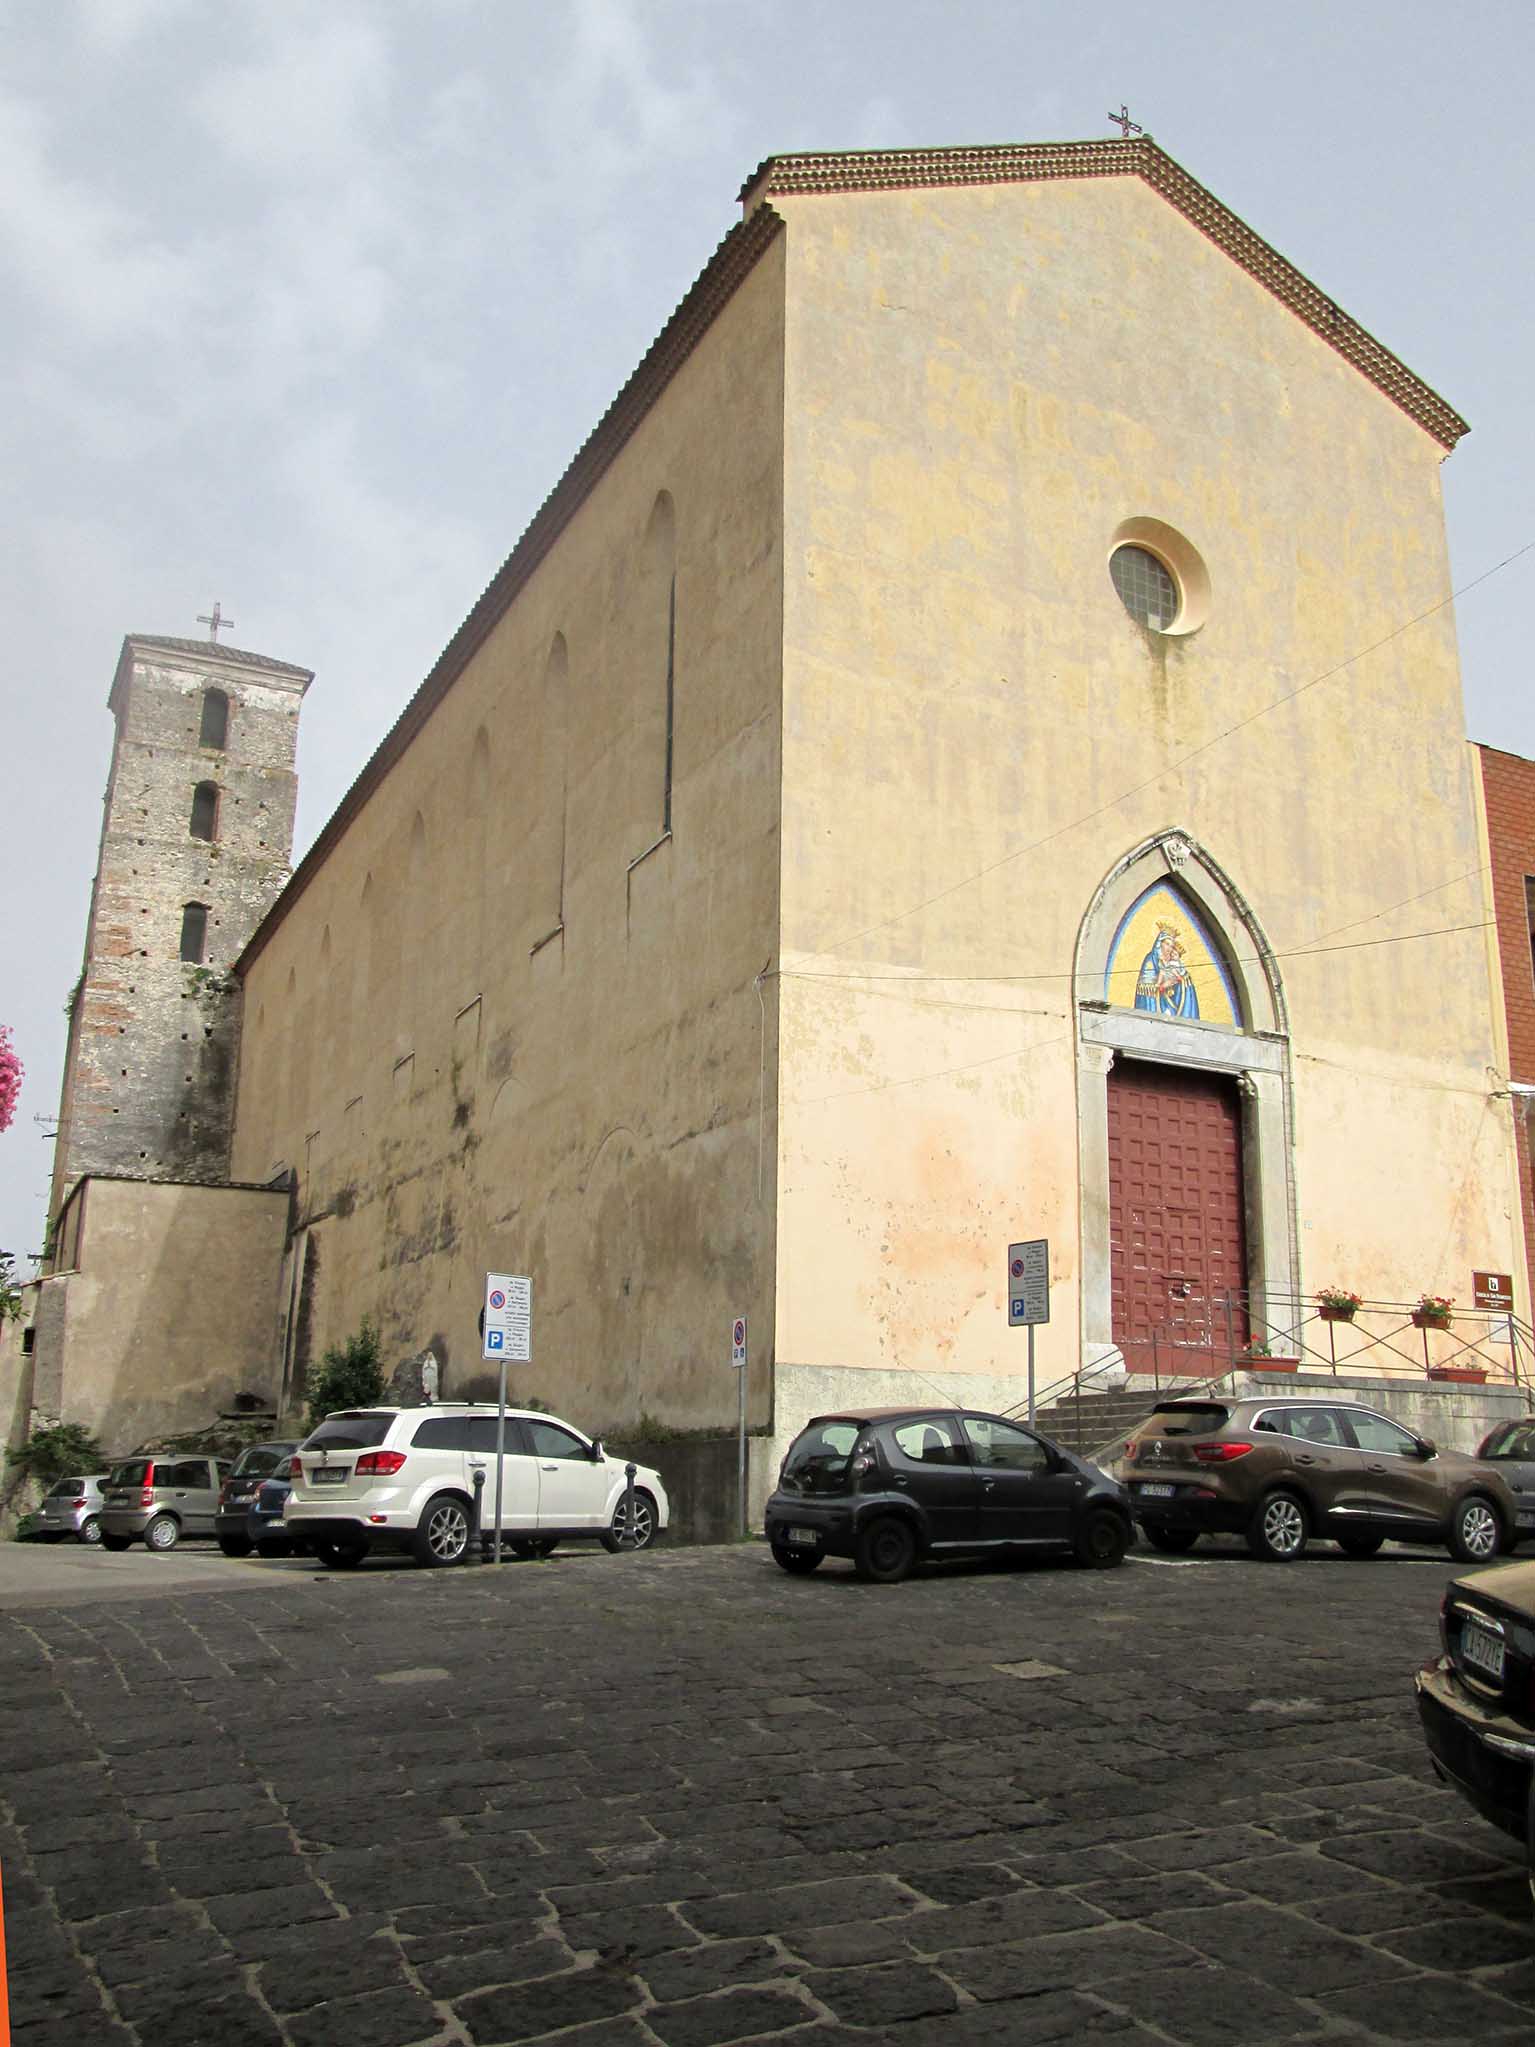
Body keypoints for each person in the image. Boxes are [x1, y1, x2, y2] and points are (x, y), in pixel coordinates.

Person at [1134, 921, 1200, 1018]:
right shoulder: (1151, 960)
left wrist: (1178, 981)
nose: (1169, 948)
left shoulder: (1173, 961)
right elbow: (1146, 987)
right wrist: (1163, 986)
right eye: (1166, 944)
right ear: (1159, 943)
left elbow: (1181, 978)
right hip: (1156, 1004)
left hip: (1172, 1002)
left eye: (1171, 946)